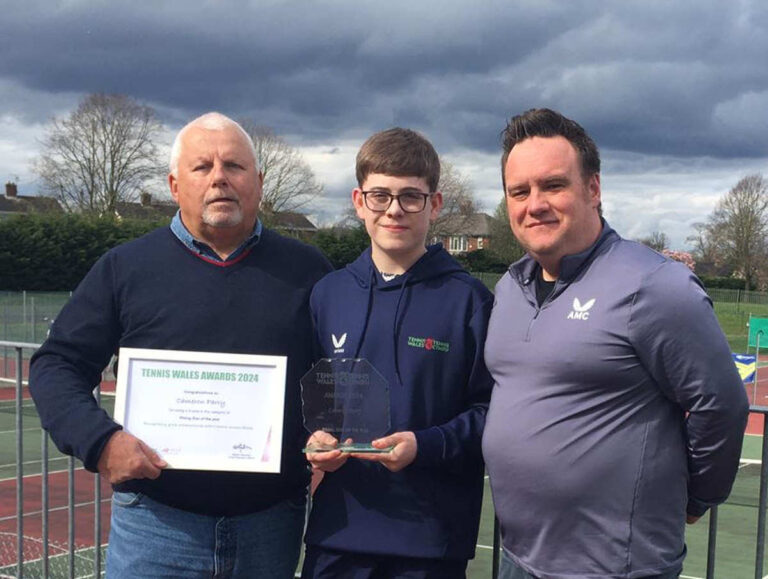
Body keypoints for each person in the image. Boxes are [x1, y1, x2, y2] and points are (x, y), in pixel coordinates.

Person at [29, 112, 332, 578]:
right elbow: (57, 364)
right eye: (202, 166)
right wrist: (101, 442)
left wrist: (327, 430)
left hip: (271, 527)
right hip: (155, 527)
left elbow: (332, 375)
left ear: (259, 182)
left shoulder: (309, 270)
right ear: (174, 185)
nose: (219, 178)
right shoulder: (124, 268)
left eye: (234, 166)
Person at [482, 108, 749, 579]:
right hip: (518, 558)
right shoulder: (509, 289)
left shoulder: (656, 285)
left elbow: (721, 403)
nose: (534, 204)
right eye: (519, 192)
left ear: (593, 189)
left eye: (553, 185)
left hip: (614, 568)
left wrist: (697, 497)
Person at [301, 128, 494, 578]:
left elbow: (493, 413)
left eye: (410, 196)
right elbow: (306, 401)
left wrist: (424, 446)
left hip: (430, 542)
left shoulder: (469, 301)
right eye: (380, 196)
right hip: (337, 535)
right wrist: (312, 440)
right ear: (358, 201)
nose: (394, 209)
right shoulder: (328, 294)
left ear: (435, 204)